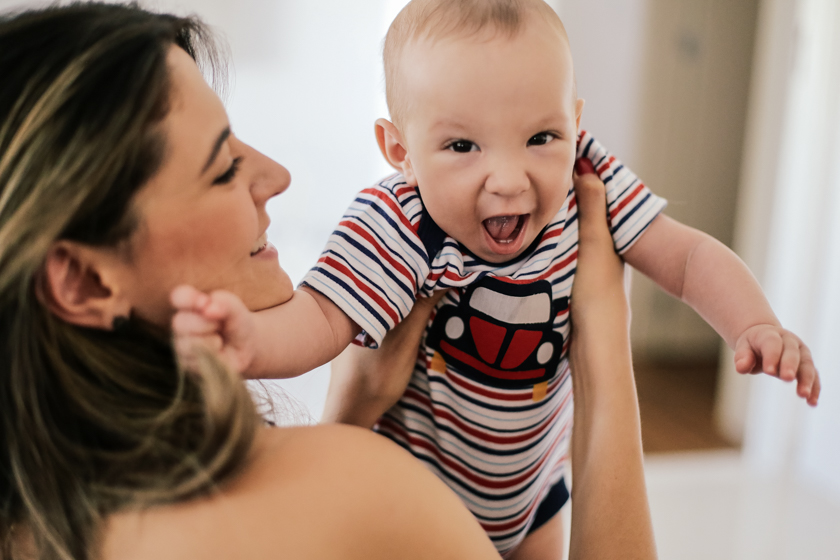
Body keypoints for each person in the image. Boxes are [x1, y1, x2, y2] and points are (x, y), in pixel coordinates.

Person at [0, 3, 657, 559]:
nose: (275, 175)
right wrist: (600, 337)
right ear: (83, 281)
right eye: (223, 167)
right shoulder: (363, 488)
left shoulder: (29, 526)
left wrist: (350, 415)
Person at [172, 0, 820, 557]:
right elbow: (319, 316)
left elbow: (685, 258)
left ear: (575, 119)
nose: (510, 179)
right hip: (419, 493)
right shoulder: (403, 219)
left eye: (541, 136)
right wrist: (250, 342)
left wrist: (754, 321)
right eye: (462, 148)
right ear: (400, 151)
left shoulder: (585, 179)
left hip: (537, 496)